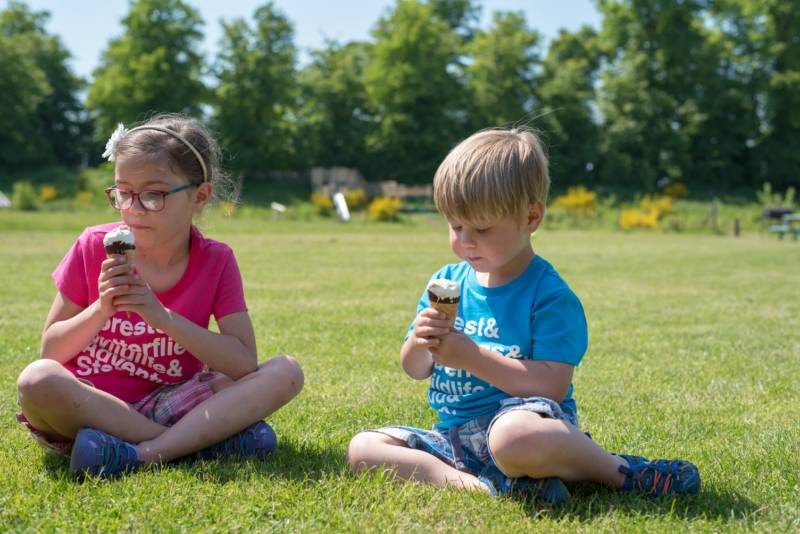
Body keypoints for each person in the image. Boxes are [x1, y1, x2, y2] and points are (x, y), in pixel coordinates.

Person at [347, 128, 700, 505]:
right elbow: (415, 368)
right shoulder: (446, 282)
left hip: (525, 425)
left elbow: (552, 387)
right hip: (456, 439)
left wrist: (470, 357)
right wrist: (420, 340)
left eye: (481, 229)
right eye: (455, 226)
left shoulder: (548, 295)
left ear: (531, 217)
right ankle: (488, 486)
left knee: (513, 439)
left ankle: (619, 471)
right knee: (364, 449)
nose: (465, 241)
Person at [15, 114, 304, 478]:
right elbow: (51, 351)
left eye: (153, 195)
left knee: (286, 372)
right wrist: (102, 308)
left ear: (199, 196)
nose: (133, 207)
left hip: (173, 401)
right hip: (88, 403)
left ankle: (140, 454)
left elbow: (243, 364)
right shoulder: (92, 245)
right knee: (37, 381)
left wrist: (160, 315)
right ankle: (198, 444)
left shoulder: (216, 260)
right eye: (122, 192)